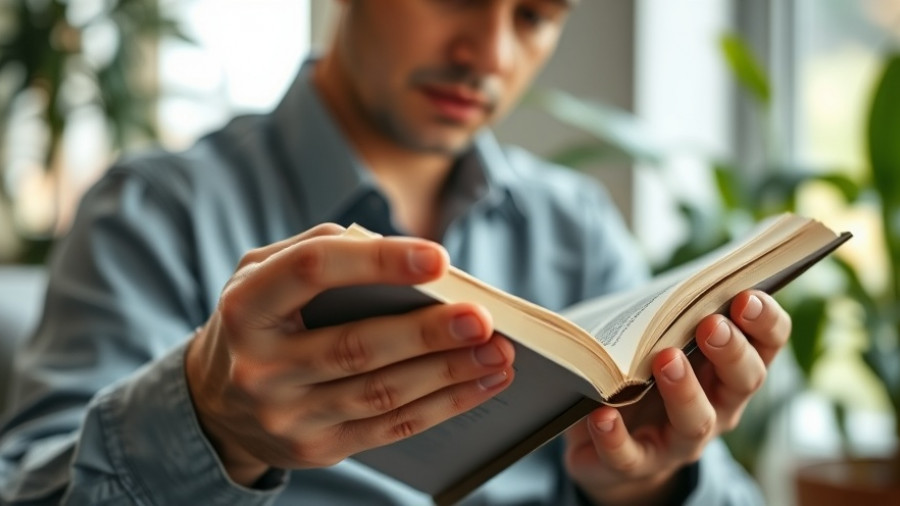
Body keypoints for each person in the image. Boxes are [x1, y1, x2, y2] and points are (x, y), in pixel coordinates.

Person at [0, 1, 785, 504]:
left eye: (535, 16)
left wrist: (643, 487)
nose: (491, 54)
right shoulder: (154, 212)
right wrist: (207, 421)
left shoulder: (574, 225)